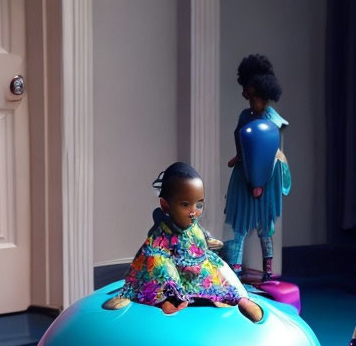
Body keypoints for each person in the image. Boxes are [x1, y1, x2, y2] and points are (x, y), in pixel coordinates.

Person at [104, 162, 263, 321]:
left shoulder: (194, 225)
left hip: (199, 268)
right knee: (157, 264)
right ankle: (168, 300)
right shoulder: (164, 230)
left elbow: (200, 235)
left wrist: (207, 241)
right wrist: (159, 259)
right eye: (185, 205)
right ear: (166, 206)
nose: (193, 212)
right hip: (177, 270)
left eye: (199, 204)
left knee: (220, 268)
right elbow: (153, 250)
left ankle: (241, 299)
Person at [224, 54, 291, 281]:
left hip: (267, 175)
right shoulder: (245, 116)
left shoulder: (273, 121)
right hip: (244, 174)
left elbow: (270, 150)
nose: (248, 96)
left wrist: (260, 181)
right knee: (240, 225)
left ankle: (268, 270)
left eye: (252, 92)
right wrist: (239, 156)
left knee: (265, 226)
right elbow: (239, 134)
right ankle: (235, 268)